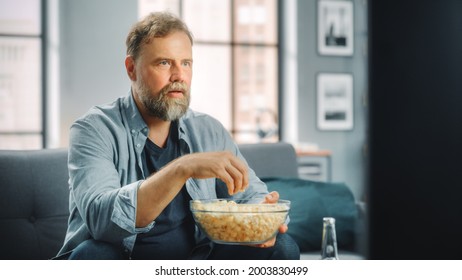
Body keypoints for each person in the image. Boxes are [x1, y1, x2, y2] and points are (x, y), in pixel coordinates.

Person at [56, 12, 300, 260]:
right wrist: (183, 167)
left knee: (282, 246)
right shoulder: (94, 129)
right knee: (92, 255)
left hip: (197, 261)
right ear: (132, 69)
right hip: (123, 259)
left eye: (185, 63)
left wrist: (262, 216)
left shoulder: (208, 130)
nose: (179, 76)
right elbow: (102, 220)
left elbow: (251, 195)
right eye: (164, 63)